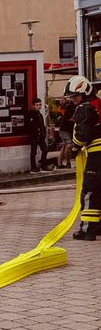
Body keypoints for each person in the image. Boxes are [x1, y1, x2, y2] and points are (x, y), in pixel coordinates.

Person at [67, 75, 101, 241]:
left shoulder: (84, 108)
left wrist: (73, 149)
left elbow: (82, 133)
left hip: (96, 155)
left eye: (75, 96)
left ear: (84, 92)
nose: (74, 100)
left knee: (89, 190)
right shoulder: (98, 104)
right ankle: (98, 226)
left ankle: (87, 229)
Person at [26, 98, 51, 173]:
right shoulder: (31, 114)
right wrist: (36, 132)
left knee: (45, 150)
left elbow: (42, 126)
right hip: (34, 137)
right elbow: (30, 126)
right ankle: (33, 167)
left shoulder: (40, 114)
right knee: (33, 152)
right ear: (33, 106)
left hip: (41, 137)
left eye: (40, 105)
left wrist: (43, 134)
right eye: (37, 105)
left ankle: (43, 165)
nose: (39, 106)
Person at [55, 96, 76, 168]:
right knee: (69, 145)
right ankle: (68, 162)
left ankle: (59, 162)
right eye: (60, 101)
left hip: (64, 129)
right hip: (65, 130)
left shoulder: (68, 106)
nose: (61, 102)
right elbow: (68, 119)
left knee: (65, 146)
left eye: (62, 100)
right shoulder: (70, 106)